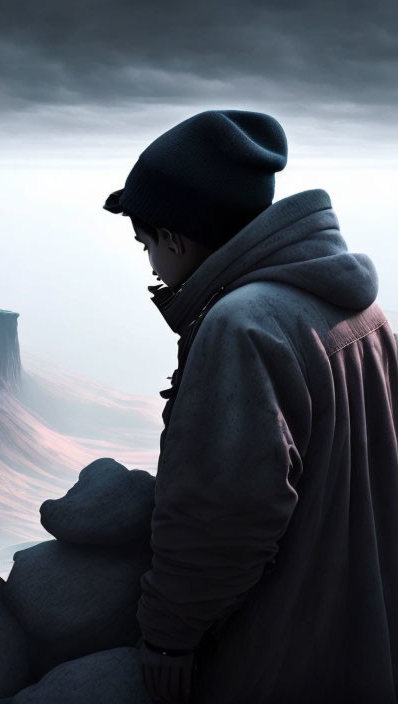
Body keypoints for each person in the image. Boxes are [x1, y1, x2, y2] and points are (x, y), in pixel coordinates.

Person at [103, 109, 398, 703]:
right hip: (367, 640)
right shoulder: (359, 308)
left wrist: (168, 638)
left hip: (283, 657)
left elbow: (220, 514)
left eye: (147, 244)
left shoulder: (242, 327)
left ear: (175, 237)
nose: (152, 265)